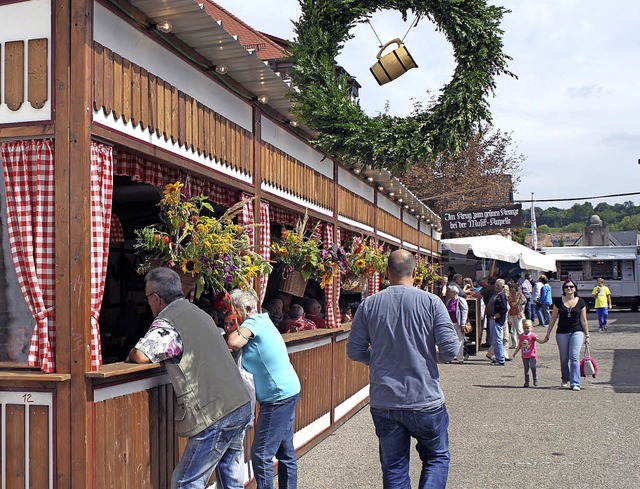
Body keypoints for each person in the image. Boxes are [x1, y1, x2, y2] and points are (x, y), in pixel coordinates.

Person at [127, 268, 252, 489]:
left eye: (147, 298)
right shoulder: (198, 313)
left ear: (156, 298)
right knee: (230, 477)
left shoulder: (168, 322)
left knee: (186, 481)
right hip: (239, 403)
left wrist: (129, 353)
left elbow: (141, 355)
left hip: (216, 412)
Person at [347, 250, 460, 489]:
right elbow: (451, 350)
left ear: (386, 273)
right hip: (425, 398)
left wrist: (379, 359)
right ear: (415, 273)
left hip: (386, 399)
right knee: (436, 457)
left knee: (394, 467)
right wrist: (427, 357)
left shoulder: (369, 305)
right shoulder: (431, 302)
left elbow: (354, 351)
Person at [226, 289, 301, 489]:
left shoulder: (253, 321)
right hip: (287, 390)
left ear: (247, 309)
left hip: (278, 397)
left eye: (235, 310)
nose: (234, 314)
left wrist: (232, 326)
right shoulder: (263, 320)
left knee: (261, 455)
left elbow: (233, 342)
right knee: (285, 452)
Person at [540, 280, 591, 391]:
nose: (569, 289)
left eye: (571, 286)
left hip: (577, 331)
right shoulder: (558, 302)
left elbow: (583, 319)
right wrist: (548, 333)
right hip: (562, 332)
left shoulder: (581, 302)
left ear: (575, 288)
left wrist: (587, 335)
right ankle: (565, 378)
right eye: (566, 287)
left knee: (574, 357)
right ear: (563, 289)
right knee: (564, 358)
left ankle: (575, 383)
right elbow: (553, 319)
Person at [512, 319, 542, 387]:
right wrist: (515, 352)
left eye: (528, 328)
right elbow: (520, 345)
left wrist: (543, 341)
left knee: (533, 367)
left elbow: (539, 340)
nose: (526, 329)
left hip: (532, 355)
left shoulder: (533, 335)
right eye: (525, 328)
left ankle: (535, 379)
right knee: (526, 369)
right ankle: (526, 382)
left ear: (531, 328)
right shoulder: (522, 336)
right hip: (525, 355)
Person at [486, 278, 509, 365]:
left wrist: (496, 316)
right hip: (492, 319)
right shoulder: (496, 294)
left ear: (502, 287)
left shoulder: (502, 295)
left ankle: (500, 359)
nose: (496, 287)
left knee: (498, 339)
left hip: (497, 320)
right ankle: (497, 356)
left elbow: (504, 309)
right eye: (495, 285)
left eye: (498, 285)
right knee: (495, 340)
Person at [445, 284, 468, 364]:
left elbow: (464, 312)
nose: (449, 294)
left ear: (455, 292)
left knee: (459, 341)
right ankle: (450, 357)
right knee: (450, 340)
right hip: (450, 324)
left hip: (458, 323)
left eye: (450, 292)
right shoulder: (449, 301)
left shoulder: (460, 300)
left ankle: (460, 358)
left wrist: (463, 324)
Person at [507, 282, 527, 351]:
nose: (511, 289)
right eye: (511, 288)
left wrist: (520, 308)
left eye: (513, 288)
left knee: (519, 329)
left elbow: (523, 302)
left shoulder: (520, 295)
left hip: (518, 313)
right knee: (512, 330)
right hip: (511, 314)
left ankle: (522, 343)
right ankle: (514, 343)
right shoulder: (509, 296)